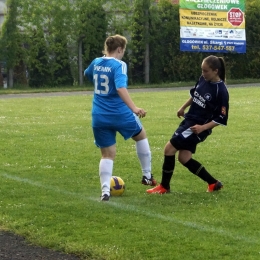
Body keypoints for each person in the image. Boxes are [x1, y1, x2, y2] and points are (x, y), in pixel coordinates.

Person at [84, 34, 156, 201]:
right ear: (119, 49)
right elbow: (120, 88)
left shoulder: (96, 62)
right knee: (141, 135)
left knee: (107, 155)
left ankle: (105, 192)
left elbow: (88, 74)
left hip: (99, 115)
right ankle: (146, 175)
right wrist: (134, 108)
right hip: (119, 113)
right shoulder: (119, 65)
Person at [147, 55, 229, 194]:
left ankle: (164, 187)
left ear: (216, 71)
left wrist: (202, 128)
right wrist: (183, 107)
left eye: (206, 71)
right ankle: (213, 183)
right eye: (202, 70)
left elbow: (221, 117)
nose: (203, 73)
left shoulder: (221, 91)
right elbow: (195, 95)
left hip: (197, 127)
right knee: (184, 158)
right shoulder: (204, 79)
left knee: (169, 149)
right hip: (189, 120)